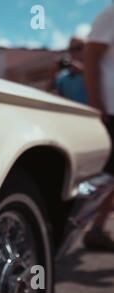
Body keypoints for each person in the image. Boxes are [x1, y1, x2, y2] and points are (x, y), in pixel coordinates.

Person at [83, 4, 114, 251]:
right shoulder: (111, 13)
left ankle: (97, 227)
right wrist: (97, 104)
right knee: (107, 175)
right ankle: (80, 223)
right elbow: (91, 54)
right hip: (111, 108)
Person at [55, 38, 88, 104]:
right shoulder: (63, 76)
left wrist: (82, 71)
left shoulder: (98, 69)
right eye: (71, 49)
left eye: (78, 48)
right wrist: (53, 74)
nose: (74, 52)